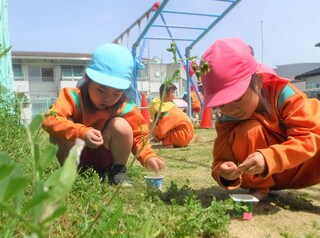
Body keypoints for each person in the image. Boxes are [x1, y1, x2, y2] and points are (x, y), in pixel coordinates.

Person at [200, 37, 320, 200]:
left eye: (237, 98)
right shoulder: (228, 118)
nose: (231, 109)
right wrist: (224, 171)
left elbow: (309, 135)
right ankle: (260, 189)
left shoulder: (284, 95)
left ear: (258, 81)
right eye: (221, 104)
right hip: (259, 175)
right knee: (248, 130)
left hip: (303, 168)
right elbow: (221, 160)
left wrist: (269, 157)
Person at [42, 43, 164, 186]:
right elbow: (50, 120)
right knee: (60, 123)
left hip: (105, 156)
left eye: (116, 93)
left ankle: (117, 171)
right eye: (101, 90)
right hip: (76, 153)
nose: (108, 98)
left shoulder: (125, 107)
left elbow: (139, 135)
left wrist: (148, 156)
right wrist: (81, 132)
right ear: (88, 81)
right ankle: (71, 173)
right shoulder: (73, 98)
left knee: (121, 126)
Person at [148, 82, 194, 147]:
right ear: (165, 93)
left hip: (181, 137)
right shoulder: (171, 106)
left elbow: (162, 129)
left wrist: (157, 136)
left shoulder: (168, 110)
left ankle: (168, 142)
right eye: (172, 92)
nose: (174, 95)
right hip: (187, 136)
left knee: (153, 125)